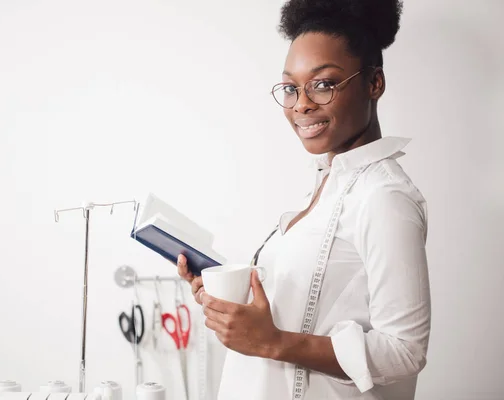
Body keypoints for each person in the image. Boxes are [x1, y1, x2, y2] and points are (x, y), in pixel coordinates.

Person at [177, 0, 431, 399]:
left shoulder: (385, 197)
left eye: (324, 84)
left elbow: (405, 351)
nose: (301, 104)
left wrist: (272, 342)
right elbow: (303, 309)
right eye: (292, 87)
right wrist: (225, 294)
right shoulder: (327, 186)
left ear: (374, 83)